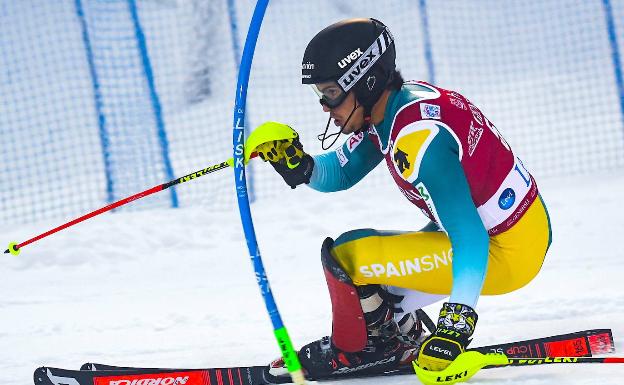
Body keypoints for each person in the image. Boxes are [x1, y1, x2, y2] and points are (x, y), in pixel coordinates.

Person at [256, 18, 551, 378]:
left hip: (505, 252)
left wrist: (456, 325)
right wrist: (298, 165)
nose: (324, 106)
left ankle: (371, 347)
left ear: (366, 81)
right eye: (321, 94)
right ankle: (397, 330)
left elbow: (469, 235)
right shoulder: (394, 108)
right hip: (519, 229)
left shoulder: (417, 138)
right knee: (374, 289)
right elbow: (342, 172)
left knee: (349, 256)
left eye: (331, 93)